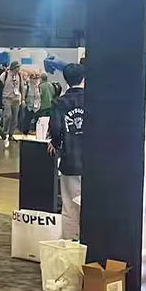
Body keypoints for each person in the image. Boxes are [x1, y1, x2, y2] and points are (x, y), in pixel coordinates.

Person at [49, 62, 86, 240]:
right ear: (84, 79)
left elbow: (56, 129)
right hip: (92, 161)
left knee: (70, 206)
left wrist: (55, 144)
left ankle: (69, 245)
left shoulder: (59, 102)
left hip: (70, 160)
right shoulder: (93, 100)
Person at [0, 63, 23, 147]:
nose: (18, 69)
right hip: (7, 98)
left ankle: (11, 134)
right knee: (8, 115)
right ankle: (5, 132)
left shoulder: (19, 75)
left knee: (15, 118)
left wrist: (22, 98)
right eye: (17, 67)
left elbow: (21, 87)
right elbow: (0, 85)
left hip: (16, 99)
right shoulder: (5, 75)